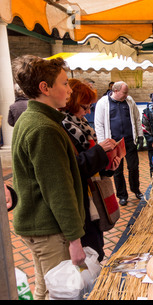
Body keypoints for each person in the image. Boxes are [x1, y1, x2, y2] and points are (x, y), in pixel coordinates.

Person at [11, 55, 86, 299]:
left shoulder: (33, 119)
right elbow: (57, 189)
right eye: (64, 83)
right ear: (45, 88)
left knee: (45, 288)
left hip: (39, 226)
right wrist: (75, 239)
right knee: (61, 291)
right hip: (50, 230)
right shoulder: (43, 127)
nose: (69, 89)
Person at [60, 78, 119, 261]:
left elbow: (93, 164)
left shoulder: (82, 126)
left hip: (92, 198)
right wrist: (100, 150)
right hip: (81, 203)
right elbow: (74, 168)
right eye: (84, 107)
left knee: (97, 248)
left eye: (89, 108)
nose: (87, 113)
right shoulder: (63, 128)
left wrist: (109, 165)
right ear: (71, 103)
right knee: (91, 253)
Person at [95, 81, 144, 206]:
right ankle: (122, 195)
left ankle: (136, 189)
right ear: (115, 91)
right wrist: (102, 144)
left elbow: (137, 118)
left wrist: (139, 135)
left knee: (134, 167)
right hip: (114, 144)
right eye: (124, 92)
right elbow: (99, 125)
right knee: (117, 170)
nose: (127, 95)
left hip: (129, 140)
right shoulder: (102, 103)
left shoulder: (129, 101)